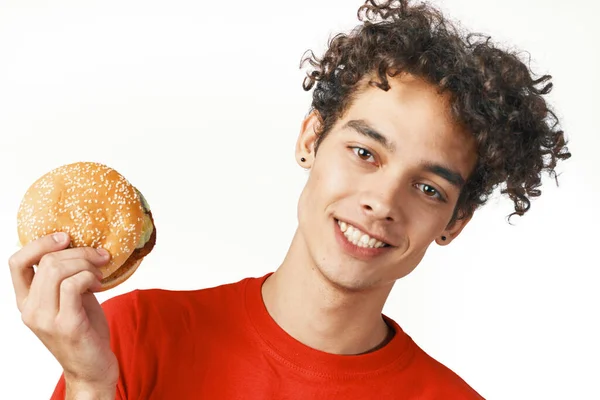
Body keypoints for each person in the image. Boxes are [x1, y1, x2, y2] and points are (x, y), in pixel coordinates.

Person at [9, 0, 570, 399]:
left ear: (454, 223)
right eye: (365, 153)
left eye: (429, 188)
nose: (381, 200)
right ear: (310, 141)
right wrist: (88, 383)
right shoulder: (133, 335)